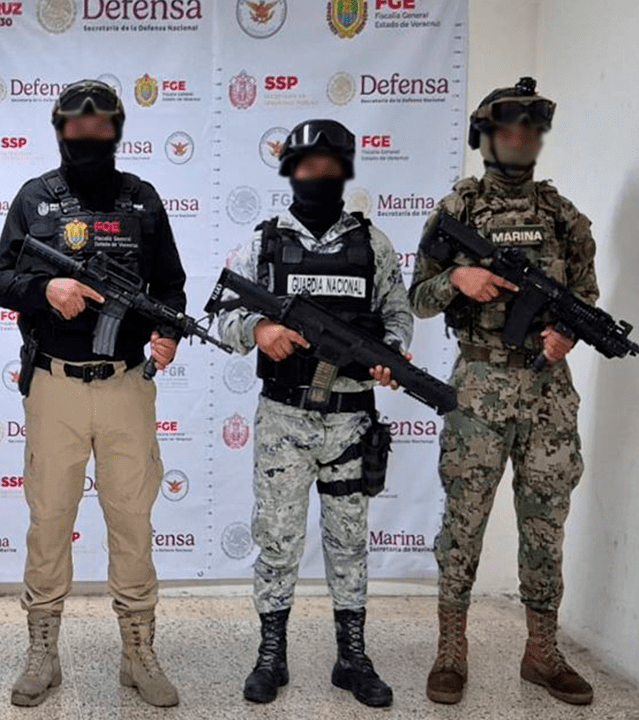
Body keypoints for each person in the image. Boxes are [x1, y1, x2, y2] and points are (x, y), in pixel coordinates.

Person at [0, 79, 186, 708]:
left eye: (101, 129)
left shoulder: (142, 199)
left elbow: (172, 286)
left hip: (126, 385)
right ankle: (42, 651)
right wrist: (46, 290)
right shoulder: (35, 198)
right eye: (78, 129)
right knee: (50, 520)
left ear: (117, 132)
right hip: (55, 386)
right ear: (60, 131)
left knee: (131, 519)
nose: (89, 139)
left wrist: (167, 333)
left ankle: (139, 651)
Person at [409, 77, 596, 707]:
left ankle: (541, 651)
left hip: (547, 390)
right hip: (479, 387)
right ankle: (451, 650)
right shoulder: (457, 211)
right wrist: (458, 279)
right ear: (485, 137)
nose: (521, 139)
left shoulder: (564, 216)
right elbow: (418, 297)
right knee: (463, 521)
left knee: (546, 522)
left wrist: (567, 335)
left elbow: (585, 297)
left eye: (531, 130)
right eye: (509, 128)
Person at [215, 118, 411, 708]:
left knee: (348, 540)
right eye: (308, 165)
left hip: (350, 420)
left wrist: (391, 355)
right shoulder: (264, 243)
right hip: (284, 419)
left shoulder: (373, 245)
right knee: (277, 539)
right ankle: (270, 654)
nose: (318, 175)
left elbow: (398, 314)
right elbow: (222, 316)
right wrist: (261, 328)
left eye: (329, 166)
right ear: (291, 171)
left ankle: (351, 656)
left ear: (344, 171)